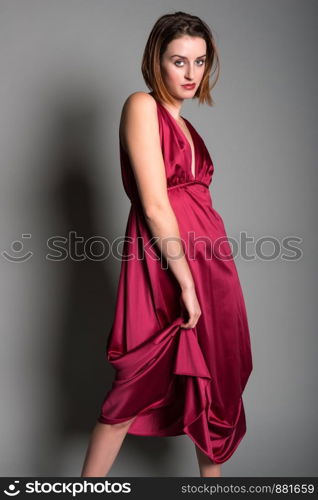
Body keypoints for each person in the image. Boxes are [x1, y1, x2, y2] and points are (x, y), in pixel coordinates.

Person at [81, 11, 253, 478]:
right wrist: (186, 281)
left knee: (213, 380)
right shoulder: (141, 106)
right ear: (155, 60)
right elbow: (156, 206)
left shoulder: (189, 127)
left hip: (212, 263)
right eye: (179, 61)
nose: (191, 74)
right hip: (168, 262)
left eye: (200, 62)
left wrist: (204, 277)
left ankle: (212, 487)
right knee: (135, 383)